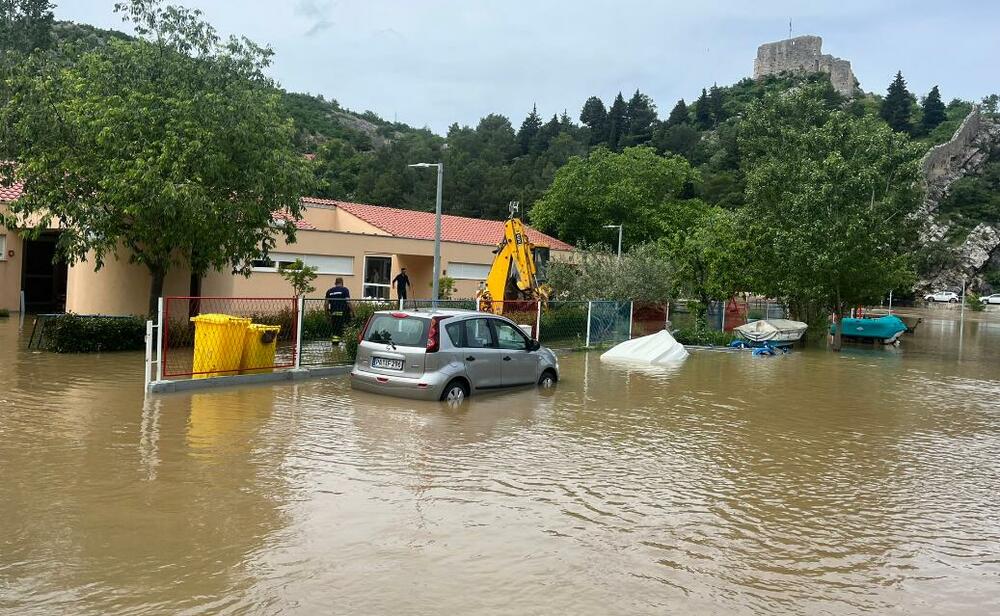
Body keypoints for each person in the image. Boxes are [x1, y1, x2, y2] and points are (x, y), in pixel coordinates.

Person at [325, 277, 351, 342]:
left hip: (334, 314)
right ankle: (346, 342)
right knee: (347, 328)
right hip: (344, 314)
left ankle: (335, 344)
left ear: (335, 283)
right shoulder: (345, 290)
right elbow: (348, 302)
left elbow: (326, 304)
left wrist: (327, 315)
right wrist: (354, 312)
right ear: (342, 283)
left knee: (335, 331)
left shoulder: (329, 291)